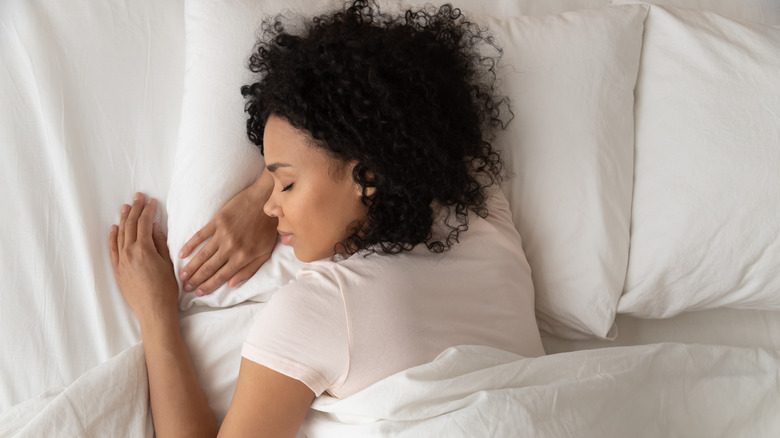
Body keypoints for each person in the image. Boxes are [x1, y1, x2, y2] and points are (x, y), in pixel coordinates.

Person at [108, 1, 545, 436]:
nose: (267, 206)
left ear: (368, 177)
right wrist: (282, 186)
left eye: (286, 184)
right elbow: (389, 119)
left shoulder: (322, 307)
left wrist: (156, 313)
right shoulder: (483, 209)